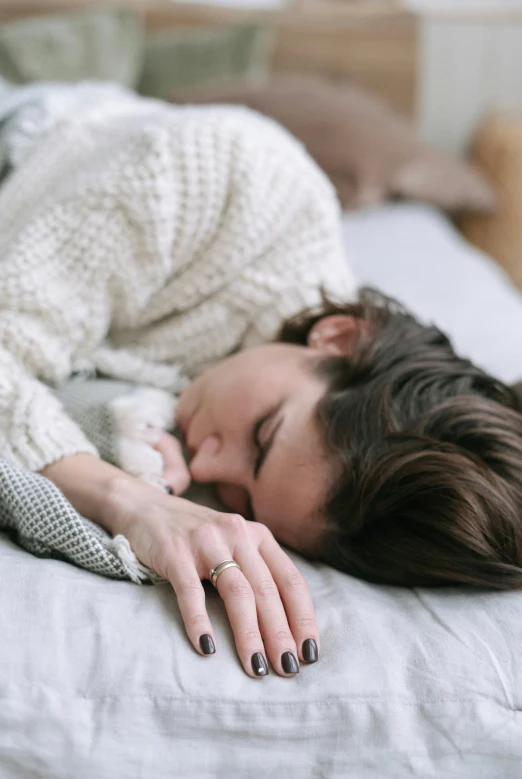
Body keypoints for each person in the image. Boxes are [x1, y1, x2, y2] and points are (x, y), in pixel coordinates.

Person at [2, 82, 522, 682]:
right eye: (263, 434)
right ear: (338, 337)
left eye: (245, 501)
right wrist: (129, 501)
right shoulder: (218, 177)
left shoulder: (252, 390)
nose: (208, 468)